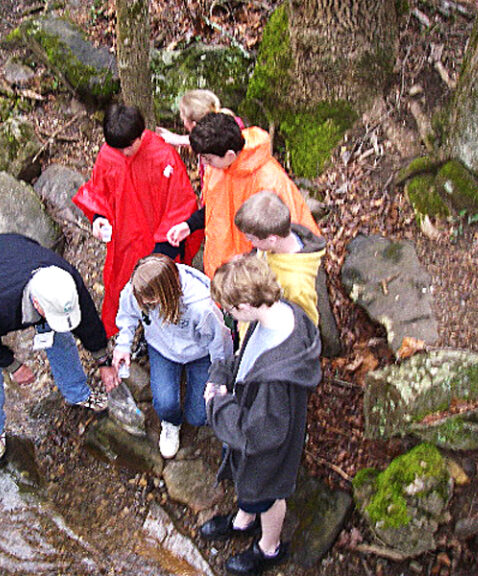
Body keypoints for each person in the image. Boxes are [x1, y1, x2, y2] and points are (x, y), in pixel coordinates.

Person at [201, 254, 321, 575]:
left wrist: (217, 403)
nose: (228, 313)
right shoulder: (278, 313)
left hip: (268, 452)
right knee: (251, 493)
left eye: (229, 308)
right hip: (258, 421)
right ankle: (244, 521)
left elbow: (258, 435)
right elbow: (242, 360)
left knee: (267, 496)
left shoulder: (276, 379)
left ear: (245, 305)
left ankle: (269, 548)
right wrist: (220, 376)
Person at [0, 233, 119, 465]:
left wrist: (104, 361)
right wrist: (13, 365)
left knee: (59, 337)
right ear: (38, 305)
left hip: (16, 252)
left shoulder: (66, 281)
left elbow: (88, 321)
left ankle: (77, 393)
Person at [73, 104, 202, 337]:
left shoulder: (163, 157)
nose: (123, 153)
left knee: (163, 290)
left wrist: (162, 250)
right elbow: (99, 194)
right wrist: (99, 219)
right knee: (123, 288)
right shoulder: (109, 153)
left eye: (128, 147)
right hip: (124, 241)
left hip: (158, 243)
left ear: (141, 134)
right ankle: (133, 329)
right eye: (117, 148)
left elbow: (180, 205)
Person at [166, 113, 321, 278]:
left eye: (208, 159)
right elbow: (214, 208)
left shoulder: (269, 183)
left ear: (230, 155)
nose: (204, 164)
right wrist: (189, 226)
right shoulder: (218, 168)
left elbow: (285, 236)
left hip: (254, 275)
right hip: (223, 268)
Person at [112, 254, 232, 458]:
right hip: (162, 349)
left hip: (199, 353)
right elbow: (127, 313)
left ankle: (193, 396)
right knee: (166, 405)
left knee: (199, 416)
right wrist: (123, 344)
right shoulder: (139, 288)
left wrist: (219, 377)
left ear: (165, 293)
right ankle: (171, 423)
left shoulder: (201, 307)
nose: (144, 304)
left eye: (150, 302)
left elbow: (219, 342)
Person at [234, 190, 326, 326]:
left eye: (251, 239)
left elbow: (306, 325)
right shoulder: (269, 246)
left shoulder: (297, 284)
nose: (250, 243)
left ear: (271, 239)